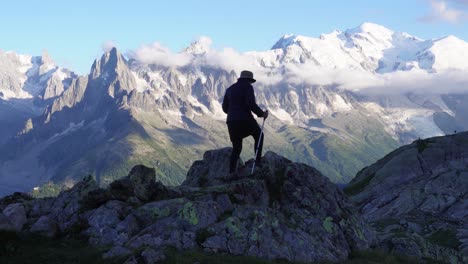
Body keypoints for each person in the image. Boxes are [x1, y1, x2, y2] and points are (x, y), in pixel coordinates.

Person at [222, 70, 268, 175]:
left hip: (231, 121)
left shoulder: (229, 89)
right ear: (249, 80)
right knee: (258, 135)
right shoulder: (248, 87)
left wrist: (233, 111)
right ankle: (257, 161)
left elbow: (225, 109)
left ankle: (231, 172)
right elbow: (251, 103)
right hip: (245, 119)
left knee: (237, 147)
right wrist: (262, 114)